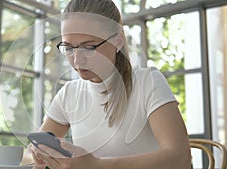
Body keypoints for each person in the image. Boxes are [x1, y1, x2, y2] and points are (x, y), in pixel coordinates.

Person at [22, 0, 191, 169]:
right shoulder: (69, 94)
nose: (77, 59)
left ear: (117, 41)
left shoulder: (148, 82)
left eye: (89, 47)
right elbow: (28, 155)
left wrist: (96, 165)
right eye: (69, 48)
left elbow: (180, 157)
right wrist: (40, 156)